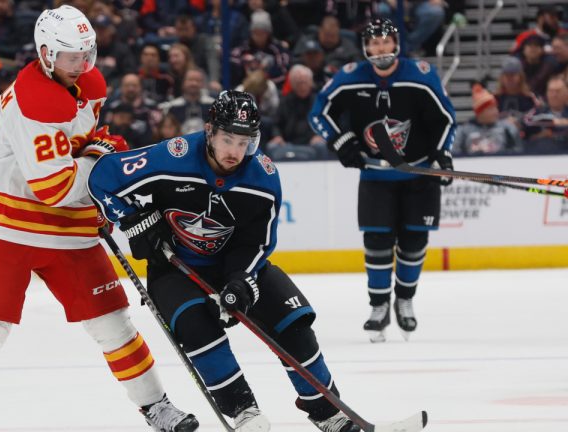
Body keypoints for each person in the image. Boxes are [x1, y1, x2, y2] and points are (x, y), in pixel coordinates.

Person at [0, 6, 199, 432]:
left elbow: (80, 146)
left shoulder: (89, 83)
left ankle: (157, 407)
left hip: (67, 227)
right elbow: (59, 188)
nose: (82, 65)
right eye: (72, 57)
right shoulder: (33, 101)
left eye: (88, 54)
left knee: (113, 324)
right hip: (5, 220)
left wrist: (93, 154)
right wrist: (100, 161)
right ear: (45, 53)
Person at [88, 90, 361, 432]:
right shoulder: (173, 157)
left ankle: (328, 410)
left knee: (293, 323)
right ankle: (244, 411)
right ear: (210, 132)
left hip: (233, 265)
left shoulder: (263, 178)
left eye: (243, 141)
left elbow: (258, 242)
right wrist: (131, 219)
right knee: (197, 327)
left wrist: (241, 279)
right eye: (227, 139)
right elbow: (101, 177)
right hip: (174, 268)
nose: (235, 151)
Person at [308, 18, 456, 343]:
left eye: (385, 41)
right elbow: (319, 112)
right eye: (374, 43)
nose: (380, 49)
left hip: (418, 173)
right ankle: (378, 306)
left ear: (396, 44)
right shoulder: (350, 77)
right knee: (376, 243)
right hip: (375, 175)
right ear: (365, 47)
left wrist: (442, 154)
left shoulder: (421, 75)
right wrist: (341, 141)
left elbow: (447, 119)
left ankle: (404, 300)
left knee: (414, 243)